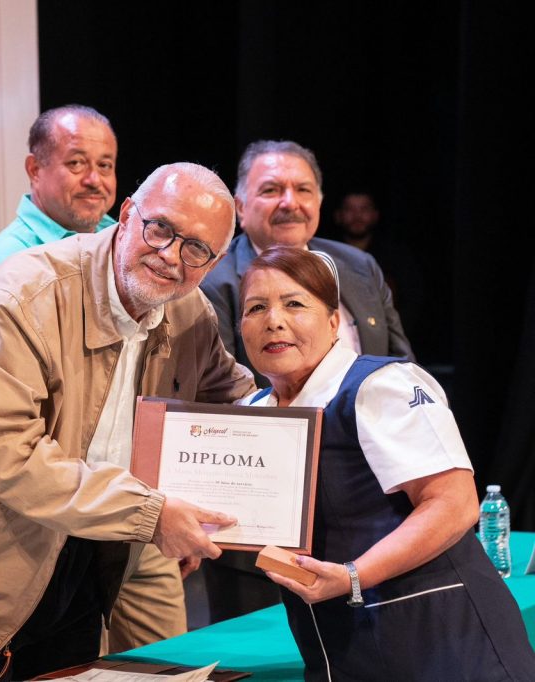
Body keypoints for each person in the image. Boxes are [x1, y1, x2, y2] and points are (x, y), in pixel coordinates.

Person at [0, 163, 256, 680]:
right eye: (160, 228)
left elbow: (232, 402)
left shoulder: (190, 313)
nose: (170, 256)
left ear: (212, 264)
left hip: (98, 558)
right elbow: (11, 460)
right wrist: (154, 516)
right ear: (126, 214)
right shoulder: (22, 294)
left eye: (196, 249)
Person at [239, 246, 535, 681]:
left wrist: (353, 576)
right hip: (338, 649)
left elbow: (454, 505)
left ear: (334, 323)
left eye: (294, 304)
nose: (273, 320)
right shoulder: (252, 414)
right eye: (255, 308)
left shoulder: (381, 386)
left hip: (445, 644)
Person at [201, 140, 413, 389]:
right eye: (271, 190)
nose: (290, 203)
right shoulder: (213, 282)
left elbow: (403, 368)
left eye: (303, 189)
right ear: (241, 208)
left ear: (319, 202)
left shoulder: (360, 265)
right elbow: (222, 391)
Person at [0, 104, 117, 314]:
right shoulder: (1, 266)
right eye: (76, 163)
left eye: (104, 165)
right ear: (35, 169)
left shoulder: (122, 240)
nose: (94, 180)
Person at [333, 190, 424, 341]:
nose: (357, 216)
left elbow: (412, 301)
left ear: (375, 215)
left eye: (364, 209)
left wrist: (392, 337)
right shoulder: (326, 255)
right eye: (350, 209)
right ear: (338, 215)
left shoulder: (395, 255)